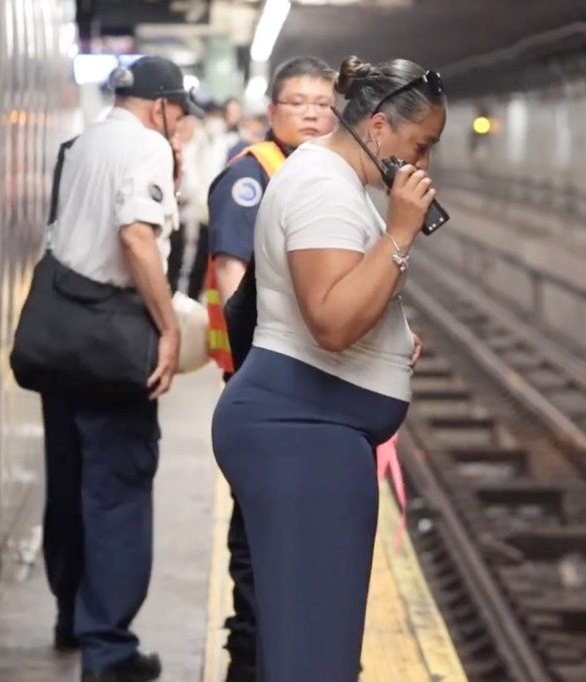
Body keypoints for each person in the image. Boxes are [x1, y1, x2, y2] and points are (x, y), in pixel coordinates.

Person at [210, 54, 446, 681]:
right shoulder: (322, 185)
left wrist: (390, 336)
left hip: (314, 434)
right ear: (376, 127)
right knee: (312, 660)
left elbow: (342, 298)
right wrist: (399, 232)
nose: (421, 164)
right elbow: (332, 322)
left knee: (317, 652)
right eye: (419, 145)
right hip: (300, 434)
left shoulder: (333, 181)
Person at [38, 54, 201, 682]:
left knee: (69, 483)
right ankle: (107, 649)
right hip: (111, 339)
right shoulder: (146, 146)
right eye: (179, 116)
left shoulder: (80, 145)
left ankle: (68, 615)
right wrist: (165, 326)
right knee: (117, 492)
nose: (180, 128)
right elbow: (136, 238)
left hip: (59, 340)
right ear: (160, 106)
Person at [202, 55, 337, 682]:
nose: (312, 112)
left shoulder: (326, 177)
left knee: (304, 550)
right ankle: (248, 667)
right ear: (272, 112)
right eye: (299, 102)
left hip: (309, 396)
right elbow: (235, 290)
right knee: (259, 551)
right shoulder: (250, 179)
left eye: (323, 102)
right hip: (267, 392)